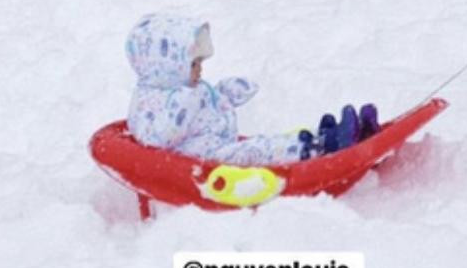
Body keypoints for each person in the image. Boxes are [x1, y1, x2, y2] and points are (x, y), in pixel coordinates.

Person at [125, 13, 378, 165]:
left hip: (218, 145)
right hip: (205, 161)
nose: (200, 69)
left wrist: (223, 94)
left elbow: (203, 107)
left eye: (200, 62)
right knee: (259, 152)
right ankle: (322, 147)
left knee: (263, 143)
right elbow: (156, 138)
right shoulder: (151, 100)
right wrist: (184, 102)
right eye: (194, 63)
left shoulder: (180, 88)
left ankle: (323, 135)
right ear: (168, 69)